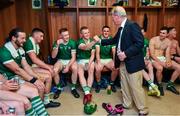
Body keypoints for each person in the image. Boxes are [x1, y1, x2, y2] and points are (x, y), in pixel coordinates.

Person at [93, 6, 148, 115]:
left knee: (135, 87)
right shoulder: (121, 28)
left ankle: (143, 109)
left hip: (132, 62)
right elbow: (114, 40)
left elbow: (140, 43)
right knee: (125, 85)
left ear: (117, 16)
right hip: (122, 62)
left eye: (112, 17)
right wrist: (100, 41)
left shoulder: (132, 25)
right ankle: (127, 104)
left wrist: (126, 53)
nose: (112, 19)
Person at [0, 28, 48, 115]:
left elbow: (25, 66)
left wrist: (36, 77)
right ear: (14, 38)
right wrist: (33, 80)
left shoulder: (20, 49)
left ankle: (40, 112)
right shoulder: (4, 52)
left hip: (15, 76)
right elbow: (17, 70)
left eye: (25, 38)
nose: (25, 40)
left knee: (39, 85)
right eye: (22, 38)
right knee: (35, 88)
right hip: (10, 78)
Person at [23, 28, 60, 108]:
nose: (42, 38)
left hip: (30, 66)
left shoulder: (35, 43)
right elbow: (34, 59)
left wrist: (47, 66)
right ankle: (45, 101)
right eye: (41, 36)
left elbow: (36, 59)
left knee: (51, 69)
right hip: (26, 68)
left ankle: (46, 96)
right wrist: (47, 67)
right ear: (35, 35)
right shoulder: (29, 42)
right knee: (49, 75)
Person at [149, 26, 180, 95]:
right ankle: (159, 85)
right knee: (160, 68)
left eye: (163, 33)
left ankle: (170, 84)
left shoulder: (168, 42)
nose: (161, 34)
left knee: (178, 67)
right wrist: (161, 62)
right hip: (154, 58)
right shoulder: (153, 40)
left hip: (162, 58)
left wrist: (168, 61)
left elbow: (167, 53)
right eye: (160, 32)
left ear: (167, 35)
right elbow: (152, 54)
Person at [51, 28, 80, 98]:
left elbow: (73, 57)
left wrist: (67, 66)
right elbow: (53, 56)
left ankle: (73, 88)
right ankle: (58, 88)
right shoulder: (57, 42)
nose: (67, 37)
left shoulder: (72, 42)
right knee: (54, 70)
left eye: (67, 35)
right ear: (60, 36)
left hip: (70, 60)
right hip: (60, 60)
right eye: (64, 35)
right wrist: (57, 45)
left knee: (75, 68)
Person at [95, 26, 118, 93]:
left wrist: (114, 61)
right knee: (98, 68)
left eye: (107, 31)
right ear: (102, 32)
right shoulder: (98, 39)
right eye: (104, 31)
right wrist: (99, 62)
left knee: (116, 68)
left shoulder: (111, 39)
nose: (106, 32)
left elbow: (114, 51)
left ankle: (111, 84)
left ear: (109, 32)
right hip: (100, 59)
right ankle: (99, 84)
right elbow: (97, 52)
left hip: (108, 59)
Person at [77, 26, 96, 104]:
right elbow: (85, 48)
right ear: (81, 34)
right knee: (80, 72)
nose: (87, 34)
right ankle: (87, 93)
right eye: (85, 33)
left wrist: (89, 63)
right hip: (81, 60)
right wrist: (94, 41)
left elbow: (92, 55)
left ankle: (87, 92)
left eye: (88, 32)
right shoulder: (79, 41)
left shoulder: (91, 41)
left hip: (89, 59)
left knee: (91, 69)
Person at [141, 28, 160, 96]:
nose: (141, 33)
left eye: (143, 32)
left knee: (150, 67)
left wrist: (146, 58)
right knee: (140, 68)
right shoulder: (136, 40)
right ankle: (152, 85)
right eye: (140, 32)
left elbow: (147, 51)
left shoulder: (146, 41)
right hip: (138, 60)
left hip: (144, 59)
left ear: (144, 33)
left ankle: (150, 88)